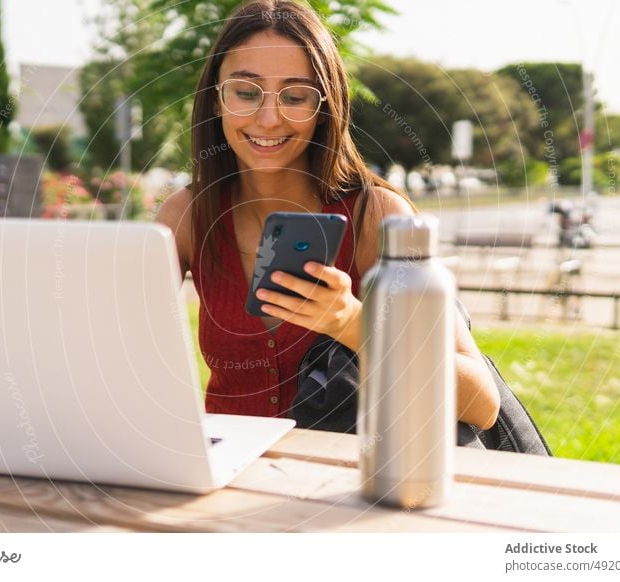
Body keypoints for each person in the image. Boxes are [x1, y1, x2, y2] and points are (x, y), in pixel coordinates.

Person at [155, 0, 499, 430]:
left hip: (347, 485)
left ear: (324, 107)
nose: (268, 118)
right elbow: (120, 350)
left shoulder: (378, 215)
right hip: (227, 477)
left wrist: (350, 322)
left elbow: (481, 404)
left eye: (296, 96)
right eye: (245, 92)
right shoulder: (186, 216)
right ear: (216, 99)